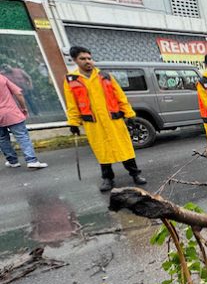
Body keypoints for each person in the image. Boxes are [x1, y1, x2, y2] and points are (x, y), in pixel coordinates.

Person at [64, 47, 146, 192]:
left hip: (113, 120)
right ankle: (107, 179)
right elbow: (72, 103)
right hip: (93, 123)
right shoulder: (71, 80)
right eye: (83, 59)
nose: (87, 61)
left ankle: (135, 174)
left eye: (89, 58)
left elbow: (120, 96)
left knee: (124, 148)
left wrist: (129, 114)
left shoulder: (105, 76)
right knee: (102, 151)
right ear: (75, 60)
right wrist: (73, 122)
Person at [0, 73, 47, 169]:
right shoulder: (2, 78)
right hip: (11, 113)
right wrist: (24, 108)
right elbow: (18, 93)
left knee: (2, 139)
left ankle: (13, 161)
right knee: (22, 136)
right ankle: (31, 161)